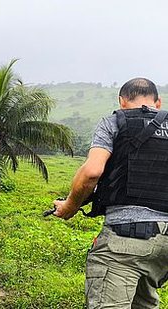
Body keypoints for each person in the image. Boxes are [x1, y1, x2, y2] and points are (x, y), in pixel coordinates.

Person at [53, 78, 168, 308]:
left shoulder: (114, 122)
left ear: (122, 101)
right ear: (158, 102)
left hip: (126, 239)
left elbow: (92, 172)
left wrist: (69, 206)